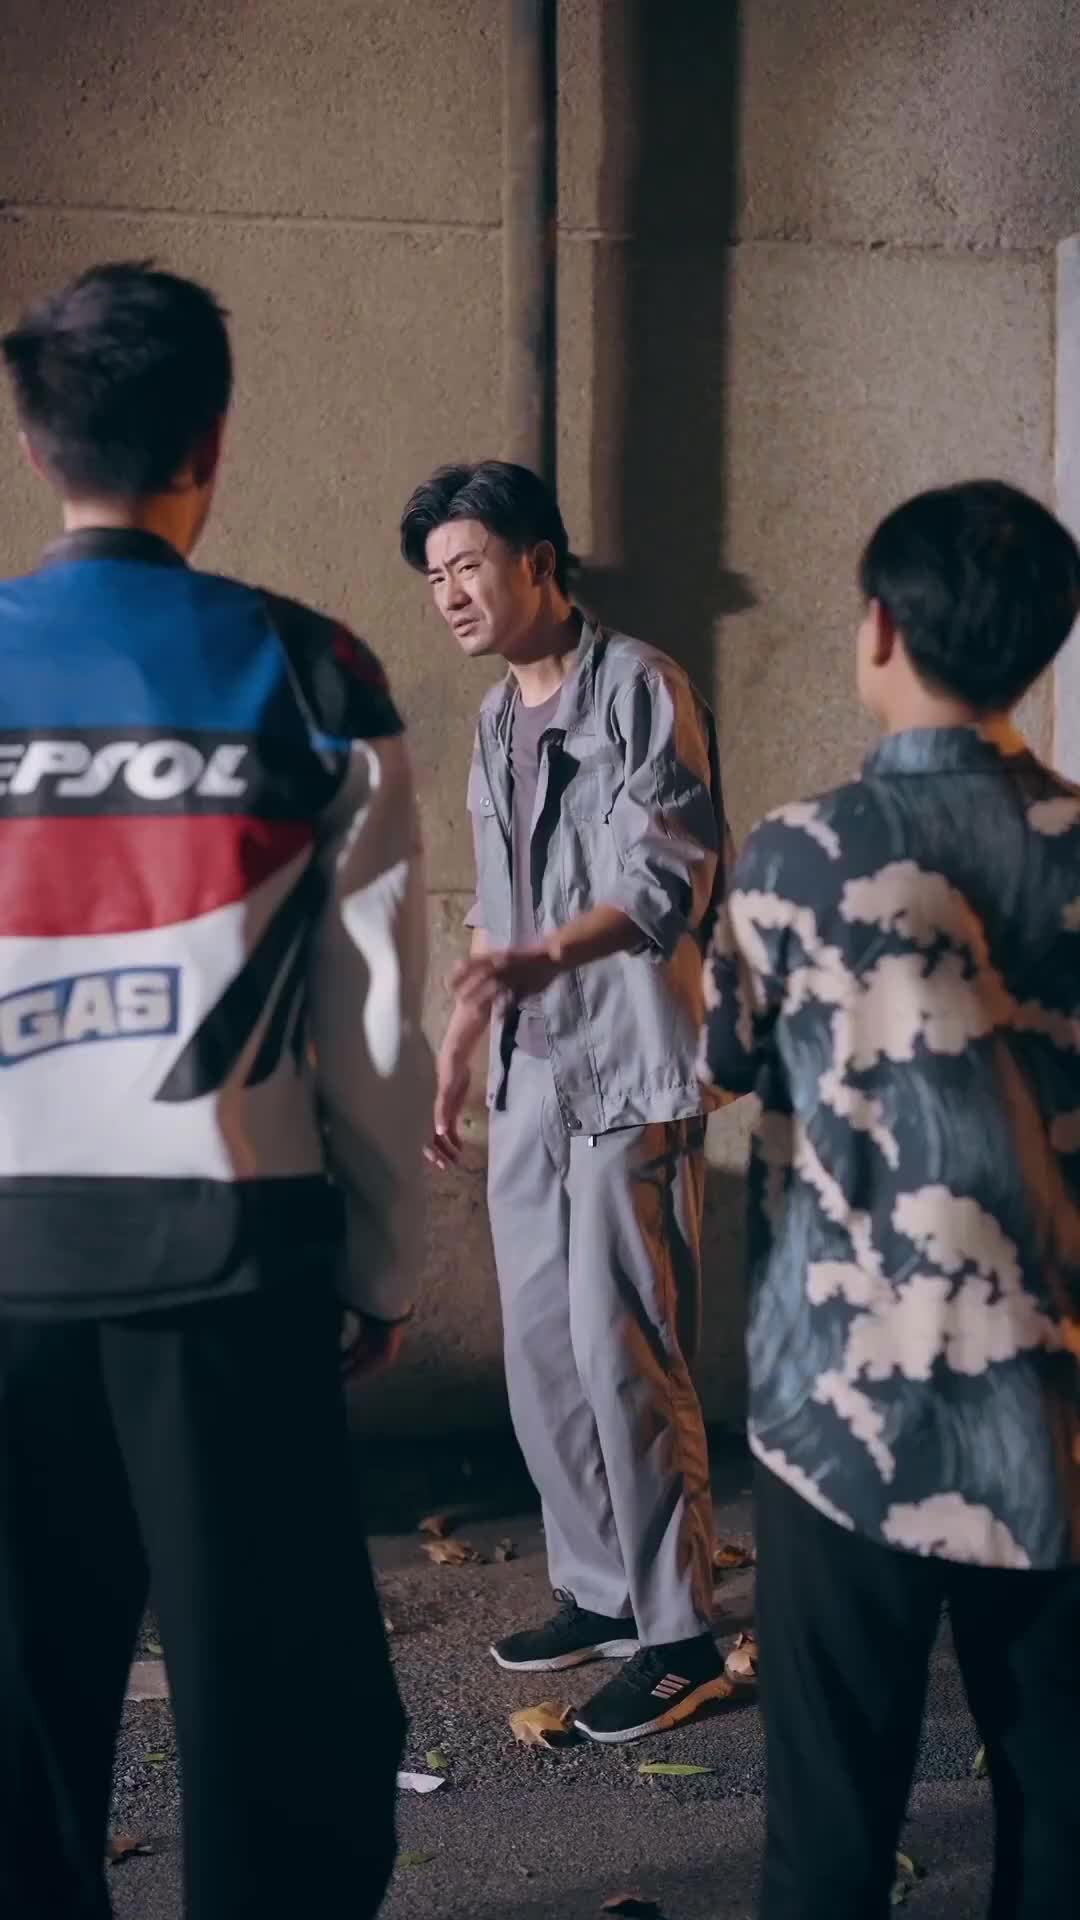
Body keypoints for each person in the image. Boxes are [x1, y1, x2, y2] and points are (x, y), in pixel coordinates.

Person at [0, 261, 430, 1920]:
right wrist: (381, 1269)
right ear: (214, 442)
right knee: (281, 1728)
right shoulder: (312, 672)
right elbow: (374, 1025)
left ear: (36, 443)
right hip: (231, 1273)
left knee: (21, 1729)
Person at [700, 479, 1080, 1919]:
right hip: (1056, 1418)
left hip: (839, 1417)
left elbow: (724, 1058)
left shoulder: (799, 853)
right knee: (1059, 1820)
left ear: (879, 628)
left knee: (829, 1835)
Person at [401, 459, 732, 1743]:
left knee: (623, 1349)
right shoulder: (498, 718)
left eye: (468, 565)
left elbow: (669, 875)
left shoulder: (642, 685)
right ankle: (599, 1591)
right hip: (529, 1069)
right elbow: (495, 909)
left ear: (539, 561)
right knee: (543, 1349)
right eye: (435, 576)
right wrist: (457, 1043)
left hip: (629, 1062)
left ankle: (680, 1636)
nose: (450, 593)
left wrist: (548, 956)